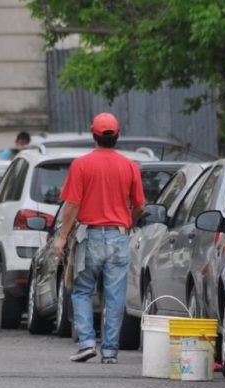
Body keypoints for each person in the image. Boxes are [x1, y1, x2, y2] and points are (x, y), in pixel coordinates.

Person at [54, 113, 144, 364]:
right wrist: (128, 220)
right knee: (115, 297)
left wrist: (61, 238)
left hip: (89, 236)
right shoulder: (129, 166)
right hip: (119, 236)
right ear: (117, 136)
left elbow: (72, 205)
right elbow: (139, 205)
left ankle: (86, 343)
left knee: (82, 291)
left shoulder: (81, 165)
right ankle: (110, 352)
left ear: (93, 134)